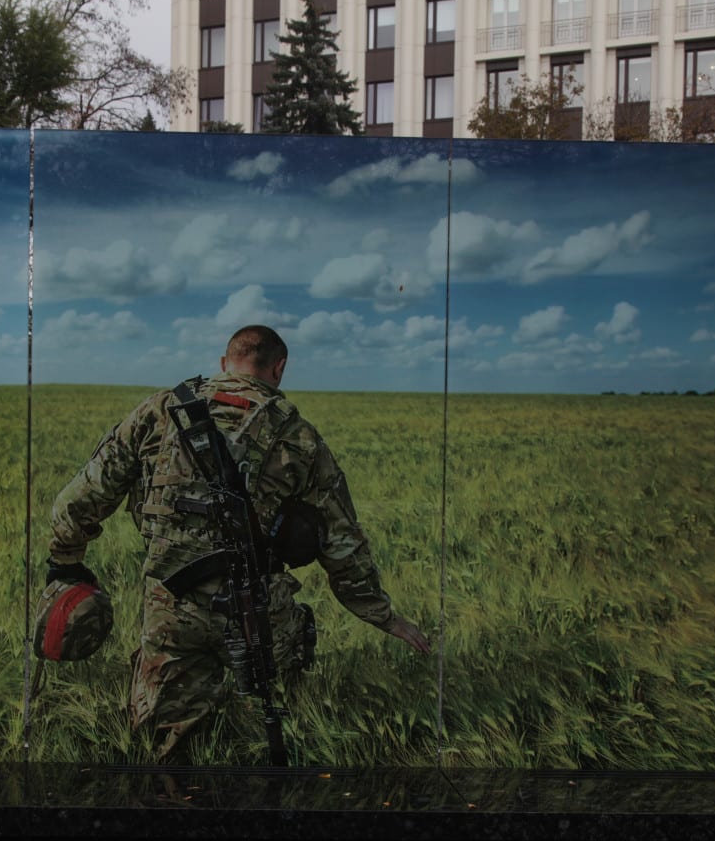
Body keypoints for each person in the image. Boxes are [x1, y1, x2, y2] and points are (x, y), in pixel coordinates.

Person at [46, 324, 431, 759]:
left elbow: (84, 495)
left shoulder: (160, 411)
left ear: (224, 363)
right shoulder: (299, 436)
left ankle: (171, 794)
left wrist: (66, 561)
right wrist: (383, 616)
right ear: (279, 368)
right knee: (281, 722)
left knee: (167, 746)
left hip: (171, 609)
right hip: (259, 613)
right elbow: (341, 541)